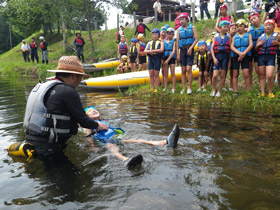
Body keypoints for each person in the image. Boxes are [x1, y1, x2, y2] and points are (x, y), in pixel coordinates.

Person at [23, 56, 109, 156]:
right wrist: (99, 126)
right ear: (73, 76)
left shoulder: (45, 86)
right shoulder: (67, 91)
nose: (80, 80)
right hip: (49, 147)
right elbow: (84, 121)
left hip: (32, 143)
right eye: (80, 77)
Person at [84, 106, 180, 167]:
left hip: (115, 138)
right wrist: (92, 146)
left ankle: (165, 142)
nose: (93, 111)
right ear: (86, 117)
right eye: (90, 111)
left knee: (138, 140)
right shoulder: (90, 125)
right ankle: (126, 160)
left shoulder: (103, 122)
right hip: (105, 141)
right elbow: (89, 136)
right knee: (113, 149)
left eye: (94, 109)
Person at [255, 19, 280, 98]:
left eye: (269, 25)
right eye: (266, 25)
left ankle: (270, 92)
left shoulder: (277, 36)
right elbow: (256, 48)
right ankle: (262, 92)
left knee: (269, 76)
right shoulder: (261, 37)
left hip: (271, 57)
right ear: (264, 27)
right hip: (262, 57)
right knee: (262, 76)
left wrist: (277, 43)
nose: (268, 27)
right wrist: (258, 44)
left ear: (273, 27)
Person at [176, 12, 198, 94]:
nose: (181, 21)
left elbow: (196, 39)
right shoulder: (178, 30)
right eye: (180, 20)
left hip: (190, 49)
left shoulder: (192, 27)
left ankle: (189, 87)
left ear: (186, 19)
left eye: (182, 19)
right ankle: (183, 88)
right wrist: (177, 54)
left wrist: (191, 48)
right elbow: (177, 42)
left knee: (188, 69)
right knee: (183, 70)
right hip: (182, 50)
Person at [230, 19, 253, 93]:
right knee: (235, 73)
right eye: (237, 27)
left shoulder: (248, 35)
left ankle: (248, 91)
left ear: (244, 26)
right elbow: (232, 46)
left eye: (241, 26)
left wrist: (244, 53)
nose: (239, 28)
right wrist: (239, 53)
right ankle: (235, 91)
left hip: (245, 56)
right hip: (236, 56)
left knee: (246, 73)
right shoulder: (234, 37)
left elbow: (251, 45)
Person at [211, 20, 231, 97]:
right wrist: (214, 58)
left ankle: (219, 91)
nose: (226, 28)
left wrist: (229, 61)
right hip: (217, 57)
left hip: (225, 57)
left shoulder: (229, 37)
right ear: (220, 27)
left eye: (227, 27)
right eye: (224, 27)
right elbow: (212, 48)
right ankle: (213, 90)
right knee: (215, 75)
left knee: (223, 75)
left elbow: (229, 50)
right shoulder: (215, 36)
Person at [145, 28, 164, 93]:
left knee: (156, 74)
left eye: (155, 34)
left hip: (157, 58)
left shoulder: (161, 42)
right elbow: (145, 50)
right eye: (153, 34)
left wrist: (152, 51)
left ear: (158, 35)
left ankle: (156, 88)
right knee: (151, 74)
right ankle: (152, 87)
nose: (154, 36)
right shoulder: (149, 43)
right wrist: (149, 51)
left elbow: (161, 50)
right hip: (151, 59)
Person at [248, 11, 264, 86]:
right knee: (249, 68)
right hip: (250, 49)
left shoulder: (264, 28)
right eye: (251, 20)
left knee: (258, 69)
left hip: (260, 49)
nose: (253, 21)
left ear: (259, 17)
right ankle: (250, 84)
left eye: (254, 18)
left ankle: (261, 81)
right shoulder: (249, 29)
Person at [162, 27, 177, 93]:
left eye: (170, 34)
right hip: (165, 57)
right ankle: (165, 87)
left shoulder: (174, 41)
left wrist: (168, 59)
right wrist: (163, 59)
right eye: (168, 34)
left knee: (172, 73)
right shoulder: (164, 41)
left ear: (173, 35)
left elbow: (173, 51)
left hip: (171, 58)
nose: (169, 35)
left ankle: (173, 88)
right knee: (165, 73)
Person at [228, 24, 237, 92]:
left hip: (235, 56)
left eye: (235, 29)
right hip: (228, 56)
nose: (234, 30)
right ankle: (230, 86)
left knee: (234, 72)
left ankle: (233, 86)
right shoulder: (227, 37)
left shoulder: (237, 37)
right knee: (228, 72)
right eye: (232, 29)